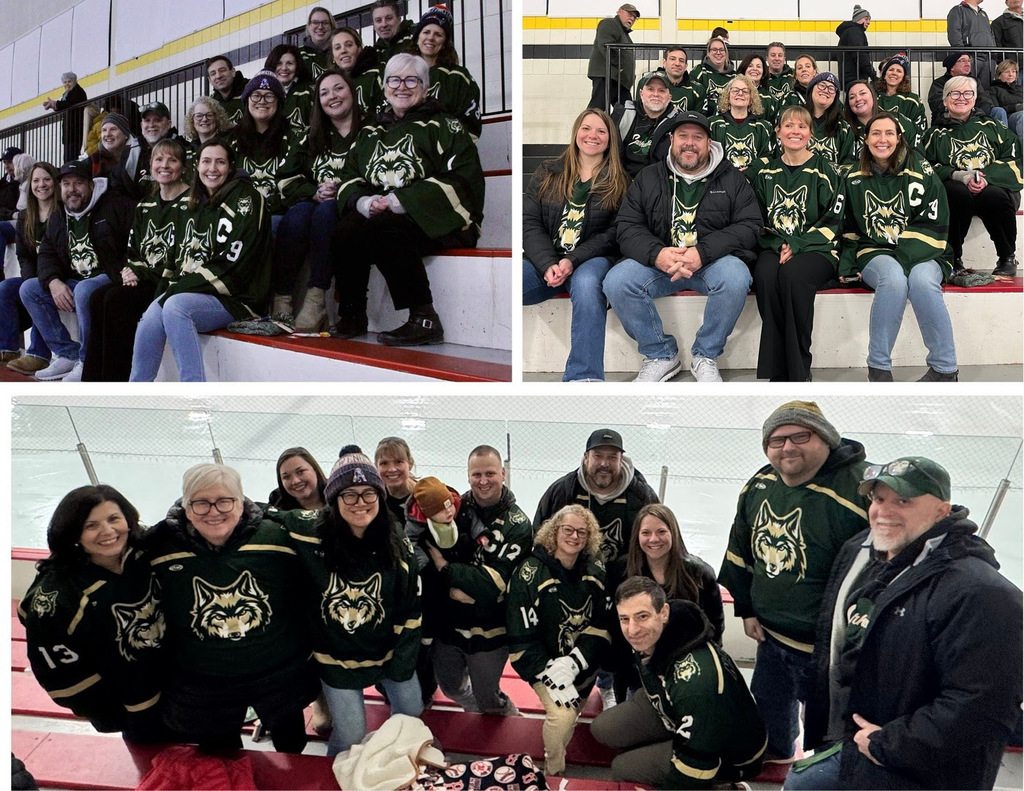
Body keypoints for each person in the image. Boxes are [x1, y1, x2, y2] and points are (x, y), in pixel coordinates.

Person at [787, 457, 1023, 790]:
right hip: (845, 738)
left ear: (942, 510)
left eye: (904, 501)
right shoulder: (858, 550)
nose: (884, 511)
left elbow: (983, 706)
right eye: (878, 499)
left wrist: (886, 745)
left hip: (912, 766)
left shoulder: (982, 593)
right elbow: (835, 639)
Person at [718, 401, 869, 763]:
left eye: (800, 436)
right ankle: (778, 751)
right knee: (769, 703)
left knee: (826, 724)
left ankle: (820, 771)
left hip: (826, 650)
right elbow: (740, 549)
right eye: (776, 439)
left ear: (826, 439)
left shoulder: (859, 492)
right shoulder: (759, 485)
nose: (787, 447)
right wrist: (746, 608)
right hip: (770, 636)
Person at [143, 463, 317, 752]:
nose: (214, 511)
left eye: (224, 500)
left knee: (291, 744)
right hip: (205, 679)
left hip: (278, 671)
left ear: (241, 502)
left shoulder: (276, 538)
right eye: (201, 502)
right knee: (220, 754)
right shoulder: (159, 547)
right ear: (186, 507)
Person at [273, 453, 423, 756]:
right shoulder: (309, 530)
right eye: (349, 495)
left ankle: (395, 764)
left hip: (387, 651)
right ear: (334, 499)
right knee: (352, 732)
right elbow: (261, 516)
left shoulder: (396, 542)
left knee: (412, 711)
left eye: (369, 493)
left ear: (379, 497)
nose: (360, 502)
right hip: (336, 657)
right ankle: (335, 776)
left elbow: (410, 609)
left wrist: (400, 663)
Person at [332, 53, 484, 346]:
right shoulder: (371, 132)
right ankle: (352, 313)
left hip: (444, 222)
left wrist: (399, 201)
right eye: (394, 80)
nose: (402, 87)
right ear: (385, 86)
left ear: (425, 87)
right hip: (387, 216)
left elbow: (465, 179)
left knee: (385, 225)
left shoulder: (445, 126)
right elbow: (351, 176)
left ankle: (425, 317)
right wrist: (365, 203)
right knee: (347, 229)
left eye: (411, 79)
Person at [604, 111, 761, 383]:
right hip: (661, 264)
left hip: (711, 263)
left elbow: (750, 226)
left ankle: (705, 354)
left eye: (697, 137)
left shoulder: (732, 178)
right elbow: (627, 226)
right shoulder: (648, 177)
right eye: (683, 136)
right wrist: (658, 254)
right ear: (671, 140)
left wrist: (702, 253)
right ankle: (660, 355)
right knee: (617, 281)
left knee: (736, 277)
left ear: (709, 142)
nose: (690, 143)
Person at [18, 485, 166, 741]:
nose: (108, 532)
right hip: (134, 711)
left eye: (113, 519)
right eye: (91, 525)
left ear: (129, 519)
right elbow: (60, 676)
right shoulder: (58, 596)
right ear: (73, 532)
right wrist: (113, 713)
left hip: (183, 691)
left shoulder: (148, 552)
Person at [591, 576, 766, 788]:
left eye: (642, 616)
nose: (632, 630)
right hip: (673, 707)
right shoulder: (659, 633)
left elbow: (696, 766)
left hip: (727, 751)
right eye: (624, 619)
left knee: (623, 767)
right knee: (604, 728)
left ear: (663, 612)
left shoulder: (697, 684)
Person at [129, 139, 270, 381]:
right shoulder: (195, 202)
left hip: (237, 299)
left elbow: (235, 267)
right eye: (206, 161)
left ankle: (195, 396)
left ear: (231, 167)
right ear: (197, 166)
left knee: (175, 307)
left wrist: (175, 291)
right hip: (195, 291)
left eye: (220, 162)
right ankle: (137, 393)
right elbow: (176, 260)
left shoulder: (247, 200)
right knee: (152, 314)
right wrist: (166, 291)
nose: (212, 169)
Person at [410, 447, 533, 716]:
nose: (483, 480)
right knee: (449, 686)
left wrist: (444, 566)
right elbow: (419, 551)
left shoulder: (519, 524)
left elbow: (491, 585)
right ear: (467, 476)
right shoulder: (452, 508)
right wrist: (448, 585)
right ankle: (479, 716)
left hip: (490, 630)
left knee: (488, 698)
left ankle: (507, 717)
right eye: (476, 474)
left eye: (490, 473)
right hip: (449, 624)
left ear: (503, 473)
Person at [841, 113, 961, 381]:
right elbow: (847, 225)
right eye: (875, 133)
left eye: (888, 133)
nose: (882, 139)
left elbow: (935, 219)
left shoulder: (922, 170)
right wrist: (848, 263)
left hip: (925, 248)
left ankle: (945, 369)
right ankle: (879, 368)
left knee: (921, 281)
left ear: (898, 138)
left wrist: (904, 256)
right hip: (875, 250)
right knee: (893, 279)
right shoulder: (852, 176)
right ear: (866, 138)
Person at [523, 108, 628, 381]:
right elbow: (529, 222)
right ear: (575, 133)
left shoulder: (620, 181)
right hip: (545, 259)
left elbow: (615, 232)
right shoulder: (548, 171)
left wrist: (573, 260)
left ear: (610, 139)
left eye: (601, 131)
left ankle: (584, 377)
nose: (592, 135)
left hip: (591, 258)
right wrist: (548, 264)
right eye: (586, 128)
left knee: (587, 283)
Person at [506, 505, 611, 776]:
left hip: (581, 666)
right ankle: (553, 769)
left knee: (572, 716)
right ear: (554, 531)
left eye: (581, 532)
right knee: (562, 716)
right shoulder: (528, 574)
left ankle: (561, 739)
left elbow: (602, 625)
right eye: (568, 529)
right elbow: (521, 639)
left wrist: (575, 663)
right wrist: (550, 671)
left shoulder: (596, 570)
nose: (574, 536)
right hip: (544, 667)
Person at [747, 105, 844, 382]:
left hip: (818, 249)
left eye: (802, 126)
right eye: (788, 125)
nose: (795, 131)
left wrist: (798, 243)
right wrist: (781, 242)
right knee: (765, 275)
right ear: (778, 131)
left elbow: (834, 218)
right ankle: (776, 369)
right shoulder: (765, 172)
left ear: (811, 133)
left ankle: (799, 368)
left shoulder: (825, 169)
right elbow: (756, 217)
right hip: (774, 245)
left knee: (792, 275)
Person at [83, 139, 191, 382]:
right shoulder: (145, 205)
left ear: (183, 167)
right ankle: (92, 383)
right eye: (159, 160)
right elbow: (133, 251)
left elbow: (185, 255)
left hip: (170, 284)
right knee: (97, 296)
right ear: (151, 166)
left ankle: (117, 382)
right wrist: (129, 271)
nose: (165, 165)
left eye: (172, 160)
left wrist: (140, 274)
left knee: (116, 299)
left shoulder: (192, 203)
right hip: (144, 279)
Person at [19, 159, 134, 382]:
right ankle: (67, 354)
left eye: (78, 183)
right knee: (29, 289)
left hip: (109, 277)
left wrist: (125, 270)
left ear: (91, 185)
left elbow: (134, 243)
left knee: (84, 290)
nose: (72, 190)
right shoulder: (59, 215)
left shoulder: (114, 205)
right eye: (66, 184)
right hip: (74, 281)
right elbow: (47, 254)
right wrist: (53, 281)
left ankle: (86, 360)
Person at [604, 504, 725, 700]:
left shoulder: (700, 574)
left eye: (661, 531)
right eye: (646, 533)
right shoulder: (620, 570)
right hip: (636, 668)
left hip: (683, 665)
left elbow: (714, 627)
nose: (653, 539)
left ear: (673, 533)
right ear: (637, 536)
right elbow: (615, 625)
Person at [283, 70, 365, 332]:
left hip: (354, 206)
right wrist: (314, 191)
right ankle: (281, 300)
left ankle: (316, 299)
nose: (333, 96)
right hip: (319, 202)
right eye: (324, 92)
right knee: (297, 214)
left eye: (338, 89)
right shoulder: (311, 135)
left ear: (351, 91)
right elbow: (286, 179)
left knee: (326, 211)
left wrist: (343, 189)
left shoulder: (371, 129)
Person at [229, 70, 314, 321]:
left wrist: (269, 207)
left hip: (279, 210)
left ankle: (274, 298)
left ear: (279, 102)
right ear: (246, 101)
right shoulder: (233, 140)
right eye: (256, 95)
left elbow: (300, 179)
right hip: (242, 211)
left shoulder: (294, 135)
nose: (262, 101)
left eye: (269, 96)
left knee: (274, 226)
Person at [923, 75, 1022, 278]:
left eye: (968, 93)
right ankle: (953, 258)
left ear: (975, 99)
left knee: (993, 195)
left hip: (993, 188)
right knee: (955, 192)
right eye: (955, 93)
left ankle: (1007, 257)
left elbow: (1015, 160)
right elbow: (926, 167)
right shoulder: (933, 135)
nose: (962, 98)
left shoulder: (994, 127)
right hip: (956, 193)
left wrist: (985, 177)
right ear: (944, 100)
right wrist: (959, 176)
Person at [535, 428, 659, 566]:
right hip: (573, 578)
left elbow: (658, 540)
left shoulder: (641, 495)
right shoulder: (564, 490)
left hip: (624, 579)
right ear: (586, 457)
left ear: (621, 459)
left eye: (612, 457)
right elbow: (540, 537)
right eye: (598, 456)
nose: (604, 464)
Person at [3, 163, 58, 374]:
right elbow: (23, 255)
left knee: (36, 289)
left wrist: (40, 279)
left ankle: (39, 355)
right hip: (34, 274)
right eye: (36, 180)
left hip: (56, 275)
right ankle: (7, 348)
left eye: (46, 179)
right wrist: (28, 277)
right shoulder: (26, 216)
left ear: (55, 181)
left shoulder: (63, 212)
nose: (41, 185)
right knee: (6, 288)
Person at [408, 6, 483, 140]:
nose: (430, 38)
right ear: (417, 37)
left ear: (444, 43)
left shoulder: (458, 77)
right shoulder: (402, 75)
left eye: (438, 34)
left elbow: (470, 127)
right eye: (426, 32)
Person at [612, 71, 680, 177]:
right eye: (650, 89)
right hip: (621, 181)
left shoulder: (677, 123)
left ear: (669, 97)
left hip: (658, 183)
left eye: (662, 91)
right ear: (641, 93)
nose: (656, 94)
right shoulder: (621, 115)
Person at [709, 75, 776, 170]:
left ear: (751, 98)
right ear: (727, 96)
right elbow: (709, 155)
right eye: (735, 90)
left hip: (753, 182)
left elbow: (769, 156)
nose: (740, 93)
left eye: (745, 91)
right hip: (721, 180)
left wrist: (749, 173)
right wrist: (731, 175)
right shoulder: (713, 124)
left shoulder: (763, 127)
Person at [844, 80, 922, 162]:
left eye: (862, 93)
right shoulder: (845, 130)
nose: (858, 99)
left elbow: (918, 153)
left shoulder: (897, 120)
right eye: (852, 97)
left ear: (873, 96)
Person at [587, 4, 639, 110]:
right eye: (629, 14)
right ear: (619, 11)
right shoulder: (610, 23)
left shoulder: (624, 34)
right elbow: (606, 46)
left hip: (619, 80)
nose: (632, 18)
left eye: (634, 17)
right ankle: (590, 126)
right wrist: (619, 65)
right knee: (599, 108)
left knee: (627, 112)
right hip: (607, 76)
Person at [927, 52, 1002, 123]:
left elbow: (984, 99)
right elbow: (937, 105)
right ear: (952, 67)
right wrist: (963, 111)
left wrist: (975, 113)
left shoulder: (975, 81)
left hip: (975, 115)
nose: (968, 64)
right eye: (963, 61)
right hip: (949, 119)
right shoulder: (939, 83)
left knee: (998, 111)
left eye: (969, 61)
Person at [329, 27, 384, 116]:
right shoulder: (330, 84)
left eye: (349, 45)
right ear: (333, 57)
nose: (343, 50)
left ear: (359, 49)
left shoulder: (377, 74)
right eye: (337, 47)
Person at [804, 73, 855, 168]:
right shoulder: (796, 119)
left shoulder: (843, 128)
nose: (826, 90)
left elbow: (847, 165)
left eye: (831, 88)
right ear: (811, 89)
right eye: (822, 85)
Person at [874, 54, 928, 138]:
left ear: (903, 77)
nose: (894, 73)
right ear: (884, 75)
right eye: (891, 69)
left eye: (899, 71)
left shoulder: (913, 100)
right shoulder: (873, 97)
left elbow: (919, 130)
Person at [265, 43, 315, 133]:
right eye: (278, 63)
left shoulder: (310, 91)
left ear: (297, 66)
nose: (284, 68)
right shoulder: (262, 93)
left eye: (290, 63)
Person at [948, 0, 997, 88]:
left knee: (985, 91)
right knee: (968, 88)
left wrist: (993, 55)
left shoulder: (983, 14)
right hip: (971, 57)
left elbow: (991, 34)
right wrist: (962, 54)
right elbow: (954, 32)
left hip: (987, 58)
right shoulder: (958, 10)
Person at [137, 102, 189, 184]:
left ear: (168, 124)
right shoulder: (131, 151)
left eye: (157, 120)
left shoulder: (184, 149)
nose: (151, 125)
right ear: (141, 125)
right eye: (147, 120)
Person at [42, 72, 88, 162]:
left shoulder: (78, 91)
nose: (67, 84)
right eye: (65, 82)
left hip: (75, 130)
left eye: (69, 81)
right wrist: (54, 105)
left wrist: (56, 104)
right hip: (69, 132)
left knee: (73, 157)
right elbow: (65, 105)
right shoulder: (67, 94)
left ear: (74, 81)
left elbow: (69, 104)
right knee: (68, 157)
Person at [375, 436, 419, 522]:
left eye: (398, 462)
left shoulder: (427, 495)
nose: (392, 469)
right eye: (384, 463)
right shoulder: (375, 499)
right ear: (376, 467)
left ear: (410, 463)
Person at [269, 446, 327, 511]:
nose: (295, 481)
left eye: (300, 472)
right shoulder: (276, 503)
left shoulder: (336, 495)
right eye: (286, 477)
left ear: (315, 469)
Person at [689, 37, 736, 115]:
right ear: (708, 53)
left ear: (726, 53)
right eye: (714, 49)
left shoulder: (734, 76)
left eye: (721, 50)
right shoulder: (699, 71)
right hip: (704, 118)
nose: (718, 53)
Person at [650, 46, 700, 113]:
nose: (677, 64)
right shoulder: (647, 84)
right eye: (672, 59)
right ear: (664, 62)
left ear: (685, 66)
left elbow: (699, 120)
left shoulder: (697, 90)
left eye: (681, 60)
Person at [836, 6, 874, 88]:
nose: (869, 22)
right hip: (855, 78)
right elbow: (860, 54)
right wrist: (873, 75)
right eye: (866, 19)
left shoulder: (849, 32)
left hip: (849, 78)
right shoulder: (854, 31)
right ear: (858, 19)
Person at [739, 53, 780, 124]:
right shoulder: (731, 94)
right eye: (750, 66)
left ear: (763, 72)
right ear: (744, 69)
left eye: (758, 66)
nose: (754, 69)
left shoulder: (770, 100)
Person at [298, 6, 336, 81]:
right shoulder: (298, 54)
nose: (320, 27)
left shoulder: (339, 52)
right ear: (309, 26)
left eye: (325, 23)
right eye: (315, 22)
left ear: (332, 27)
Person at [205, 55, 247, 124]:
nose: (218, 76)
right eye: (213, 73)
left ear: (233, 72)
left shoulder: (252, 91)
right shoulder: (210, 104)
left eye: (222, 70)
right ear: (209, 80)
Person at [372, 0, 415, 65]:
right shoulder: (374, 53)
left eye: (389, 18)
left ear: (399, 20)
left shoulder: (415, 36)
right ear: (374, 26)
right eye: (378, 20)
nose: (384, 24)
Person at [989, 58, 1023, 141]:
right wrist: (1016, 107)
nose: (1011, 74)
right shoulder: (993, 90)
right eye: (1007, 72)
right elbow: (996, 110)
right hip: (1008, 120)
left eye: (1014, 71)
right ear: (999, 75)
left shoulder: (1021, 88)